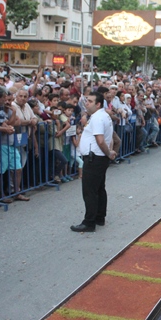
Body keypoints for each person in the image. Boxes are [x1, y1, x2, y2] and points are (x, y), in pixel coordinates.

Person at [70, 91, 116, 232]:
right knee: (99, 188)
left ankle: (89, 222)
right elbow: (110, 138)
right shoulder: (103, 116)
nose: (86, 103)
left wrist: (108, 153)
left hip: (94, 158)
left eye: (89, 101)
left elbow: (101, 140)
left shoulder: (97, 118)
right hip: (98, 157)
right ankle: (99, 217)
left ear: (98, 104)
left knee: (90, 191)